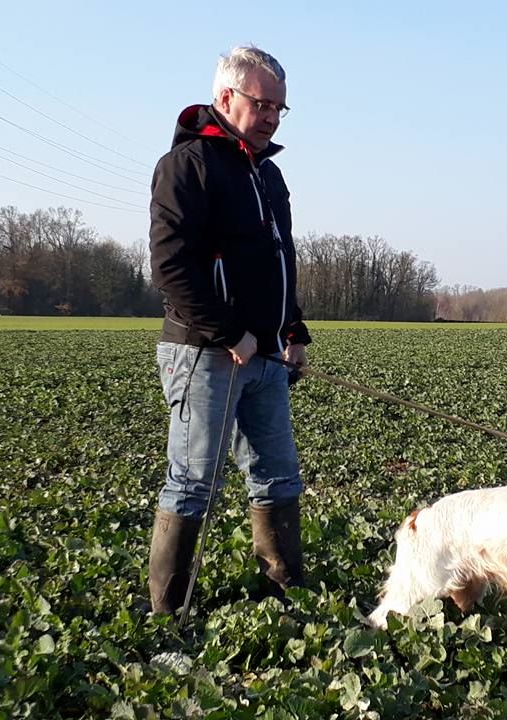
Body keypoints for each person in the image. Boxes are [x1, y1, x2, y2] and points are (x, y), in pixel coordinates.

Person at [147, 45, 311, 614]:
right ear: (225, 98)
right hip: (203, 354)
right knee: (193, 481)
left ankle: (286, 591)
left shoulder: (268, 172)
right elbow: (171, 269)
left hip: (265, 356)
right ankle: (170, 612)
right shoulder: (187, 165)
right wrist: (228, 333)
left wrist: (293, 329)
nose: (270, 115)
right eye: (262, 103)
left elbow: (278, 259)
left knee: (279, 476)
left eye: (279, 108)